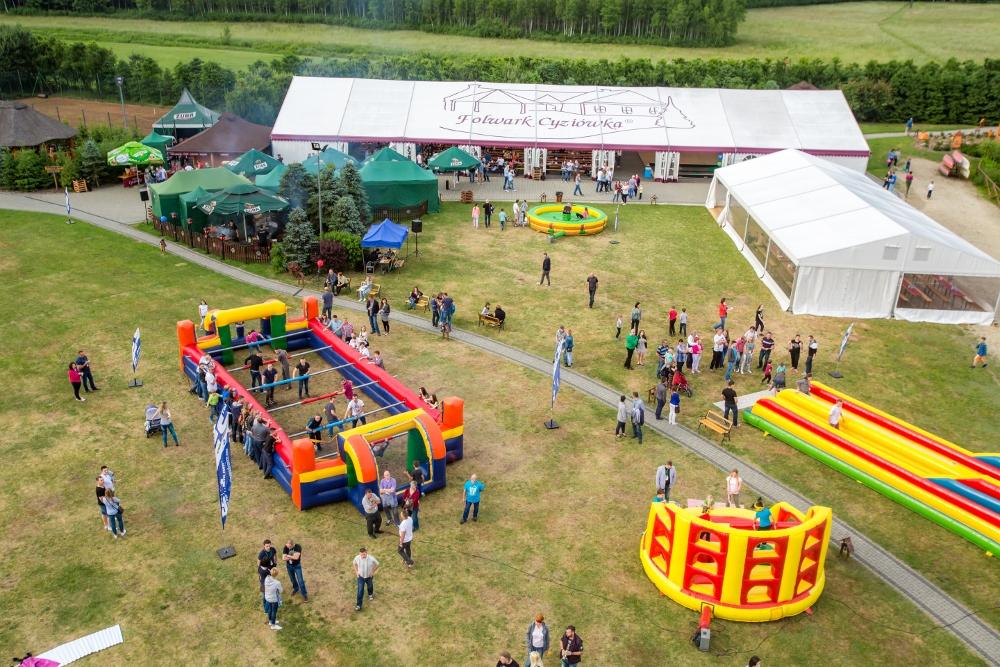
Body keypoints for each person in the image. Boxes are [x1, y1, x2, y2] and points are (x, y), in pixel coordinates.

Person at [353, 546, 380, 611]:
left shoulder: (371, 558)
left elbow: (377, 564)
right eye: (361, 554)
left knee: (370, 586)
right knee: (360, 591)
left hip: (369, 577)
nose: (363, 556)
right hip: (361, 577)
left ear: (366, 553)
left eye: (364, 554)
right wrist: (356, 572)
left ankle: (370, 594)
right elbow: (354, 563)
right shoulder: (357, 558)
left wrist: (372, 572)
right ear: (359, 553)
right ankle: (359, 605)